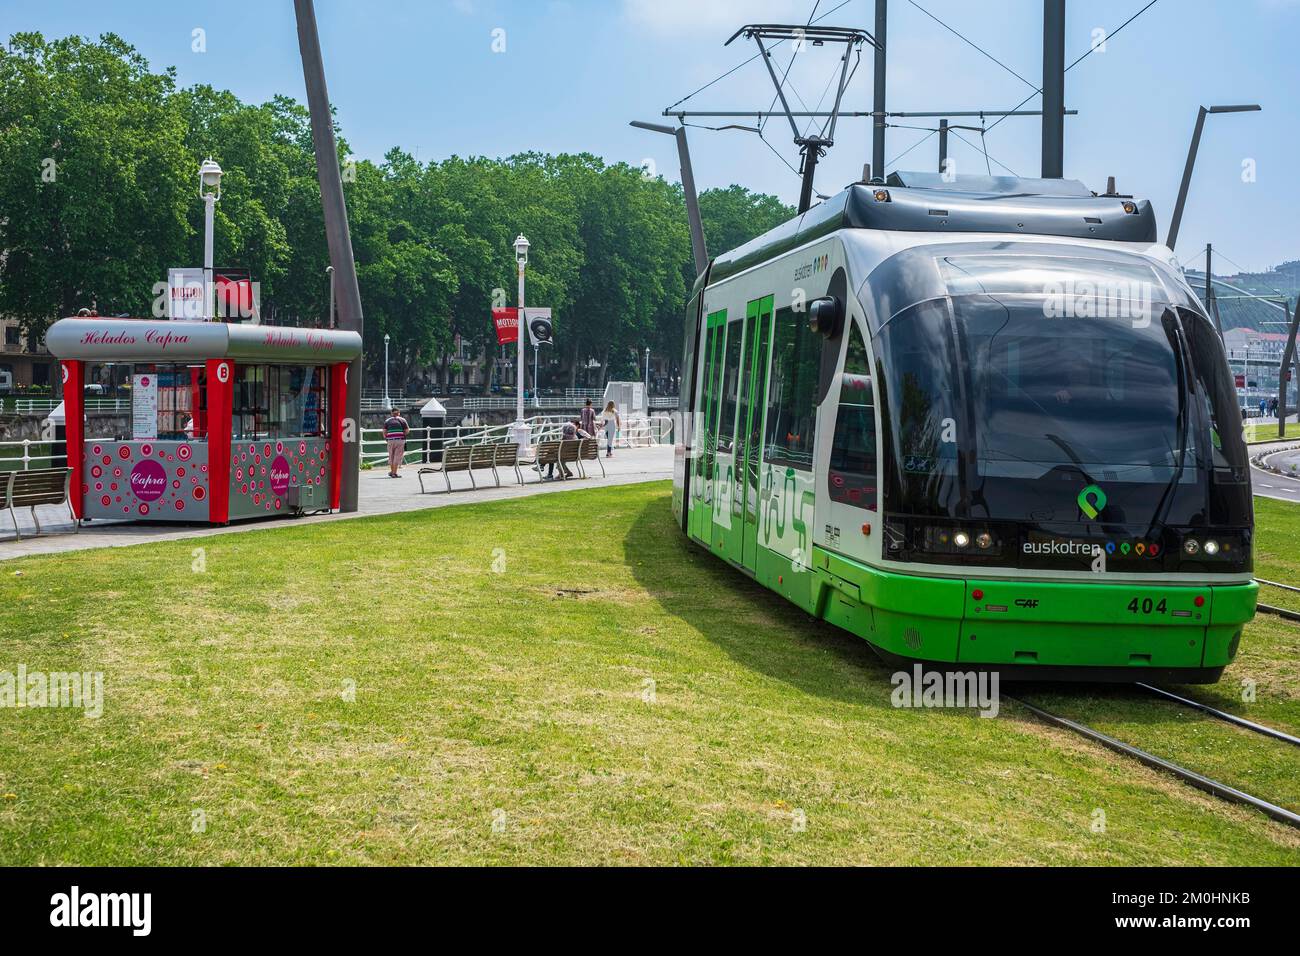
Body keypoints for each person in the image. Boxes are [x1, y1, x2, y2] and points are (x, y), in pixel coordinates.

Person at [383, 407, 409, 478]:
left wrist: (387, 438)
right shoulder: (402, 420)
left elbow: (384, 432)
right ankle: (394, 473)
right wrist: (402, 434)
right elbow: (407, 431)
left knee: (391, 456)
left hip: (390, 440)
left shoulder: (387, 421)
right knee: (397, 457)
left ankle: (392, 472)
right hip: (400, 440)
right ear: (399, 413)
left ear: (391, 413)